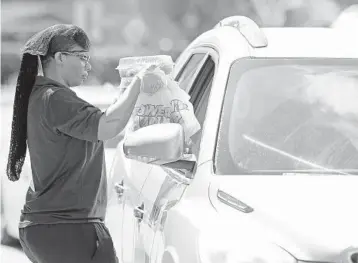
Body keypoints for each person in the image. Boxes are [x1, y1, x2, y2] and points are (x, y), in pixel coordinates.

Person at [6, 24, 151, 263]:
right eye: (83, 58)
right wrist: (140, 81)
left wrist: (127, 92)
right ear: (60, 57)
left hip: (52, 226)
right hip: (66, 227)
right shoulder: (55, 98)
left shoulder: (44, 96)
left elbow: (104, 124)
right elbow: (108, 126)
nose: (88, 66)